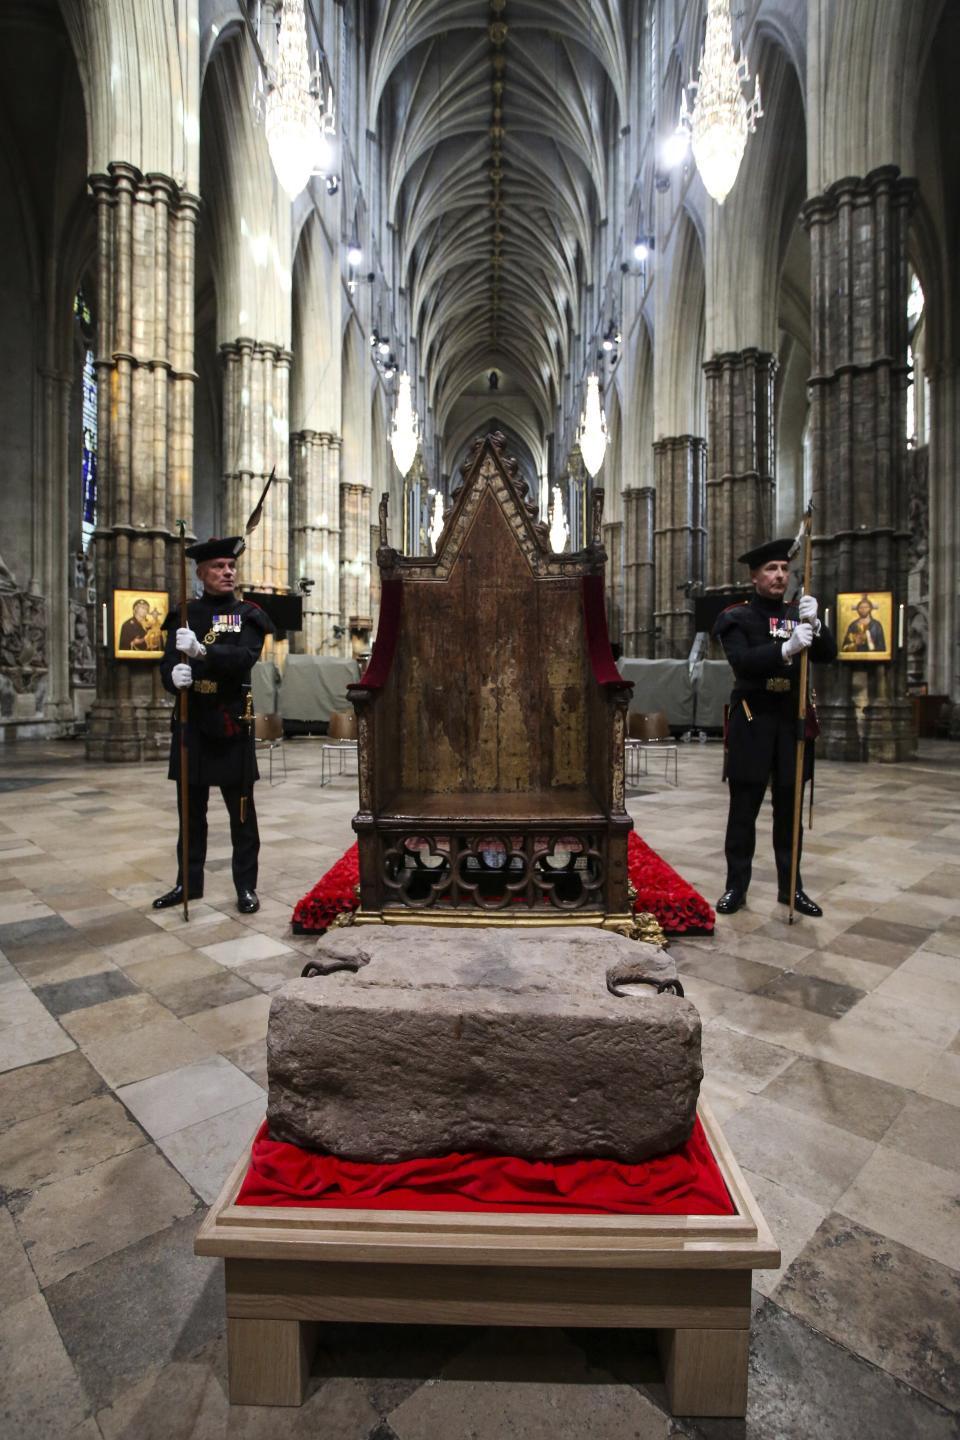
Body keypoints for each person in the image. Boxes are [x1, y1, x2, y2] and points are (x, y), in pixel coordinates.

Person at [713, 538, 837, 918]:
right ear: (754, 577)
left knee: (789, 812)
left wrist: (817, 624)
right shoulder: (737, 618)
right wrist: (785, 650)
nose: (780, 575)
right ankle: (736, 887)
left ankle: (791, 888)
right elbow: (743, 662)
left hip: (789, 724)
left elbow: (829, 655)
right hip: (753, 720)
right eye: (771, 569)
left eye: (785, 569)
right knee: (743, 811)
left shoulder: (797, 614)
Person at [153, 537, 274, 914]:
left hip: (231, 726)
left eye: (231, 566)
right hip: (191, 727)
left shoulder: (248, 615)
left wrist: (203, 651)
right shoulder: (184, 615)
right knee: (190, 816)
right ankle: (187, 884)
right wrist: (175, 675)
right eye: (219, 567)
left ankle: (245, 887)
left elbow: (244, 657)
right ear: (201, 572)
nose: (228, 572)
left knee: (242, 817)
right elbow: (166, 665)